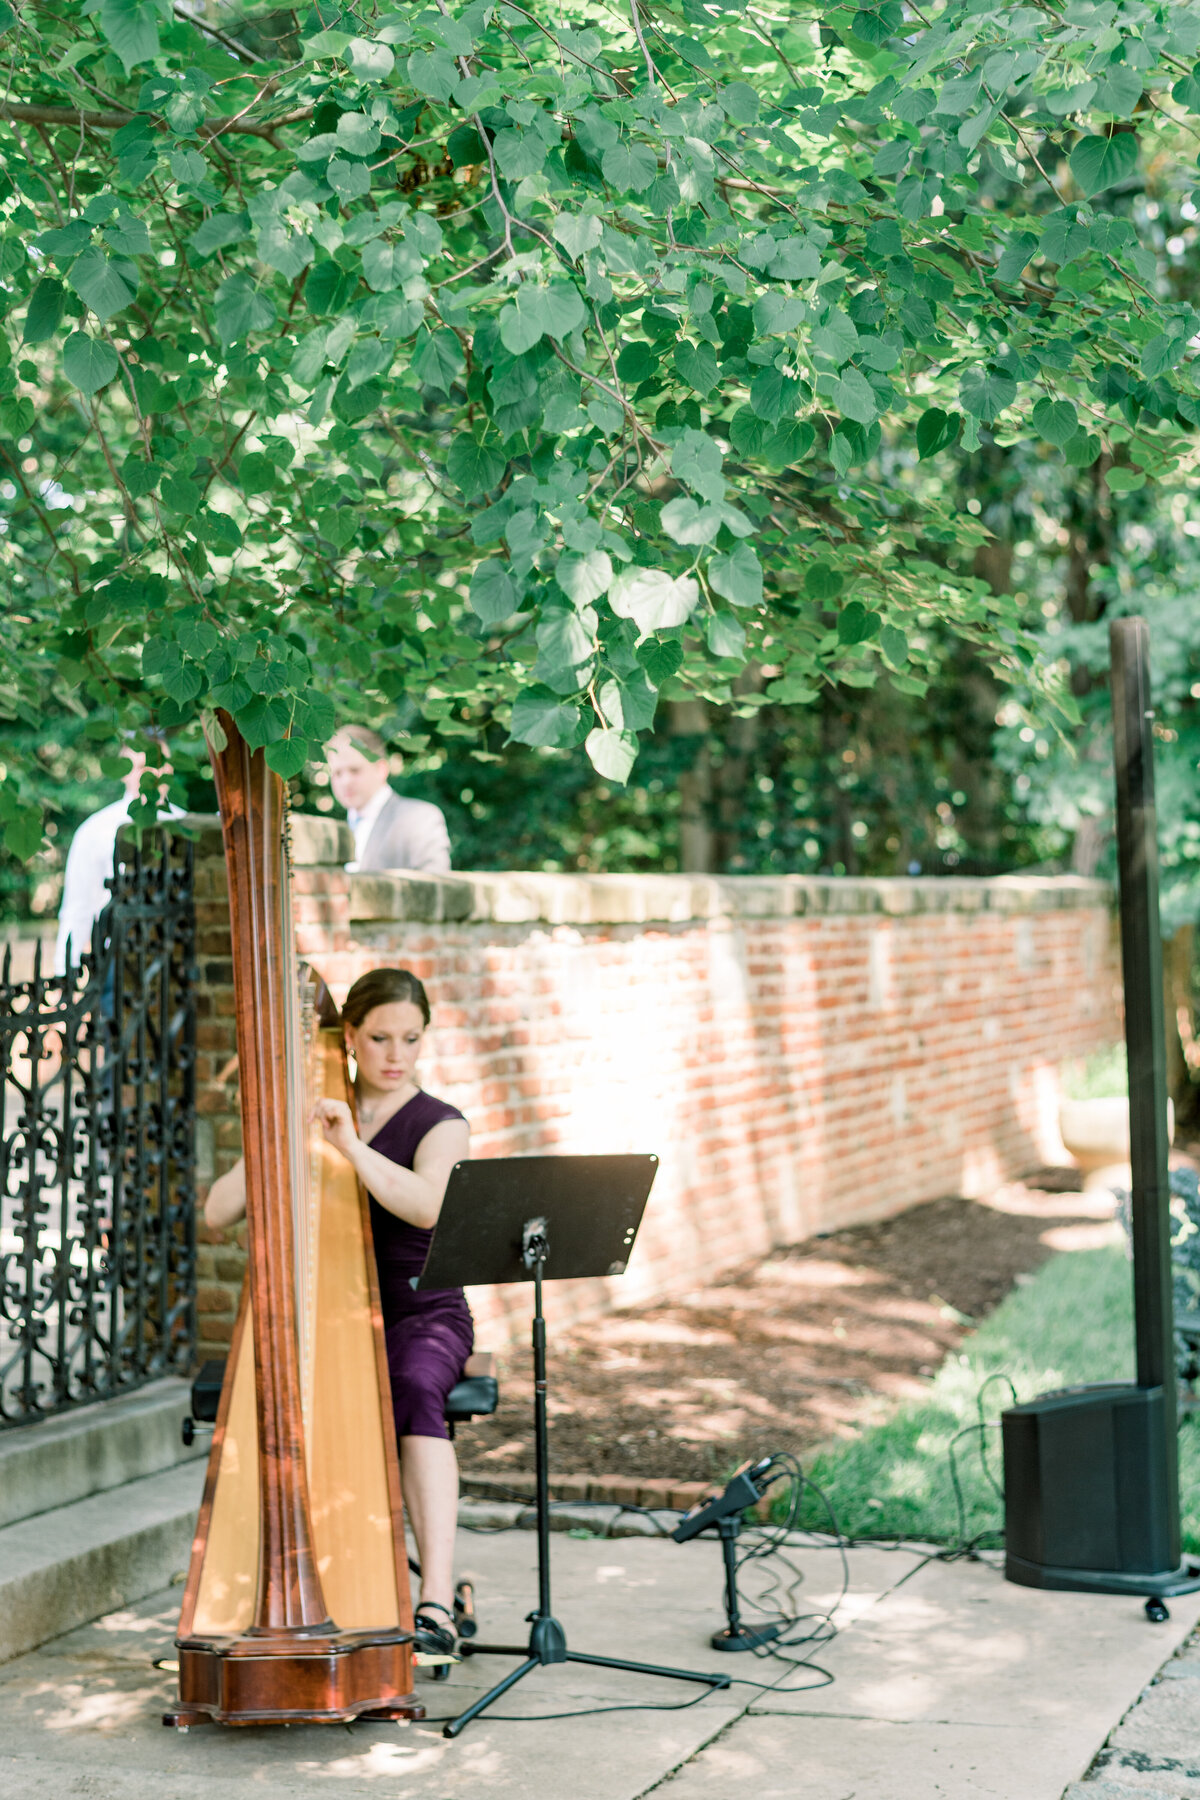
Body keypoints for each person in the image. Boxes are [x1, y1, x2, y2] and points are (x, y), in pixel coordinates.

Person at [204, 966, 471, 1659]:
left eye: (410, 1039)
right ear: (347, 1035)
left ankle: (437, 1596)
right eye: (380, 1037)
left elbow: (428, 1206)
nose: (395, 1055)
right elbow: (216, 1215)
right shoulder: (312, 1107)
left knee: (414, 1388)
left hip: (421, 1312)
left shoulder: (439, 1123)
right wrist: (279, 1133)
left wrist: (350, 1146)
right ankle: (293, 1588)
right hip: (333, 1314)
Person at [54, 737, 178, 975]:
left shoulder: (187, 827)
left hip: (179, 956)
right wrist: (65, 973)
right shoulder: (96, 830)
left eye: (158, 764)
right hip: (119, 961)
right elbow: (79, 906)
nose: (152, 774)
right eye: (142, 767)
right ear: (125, 772)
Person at [326, 727, 451, 874]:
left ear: (381, 769)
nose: (345, 781)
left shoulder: (420, 819)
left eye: (355, 770)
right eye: (337, 773)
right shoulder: (333, 832)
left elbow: (435, 888)